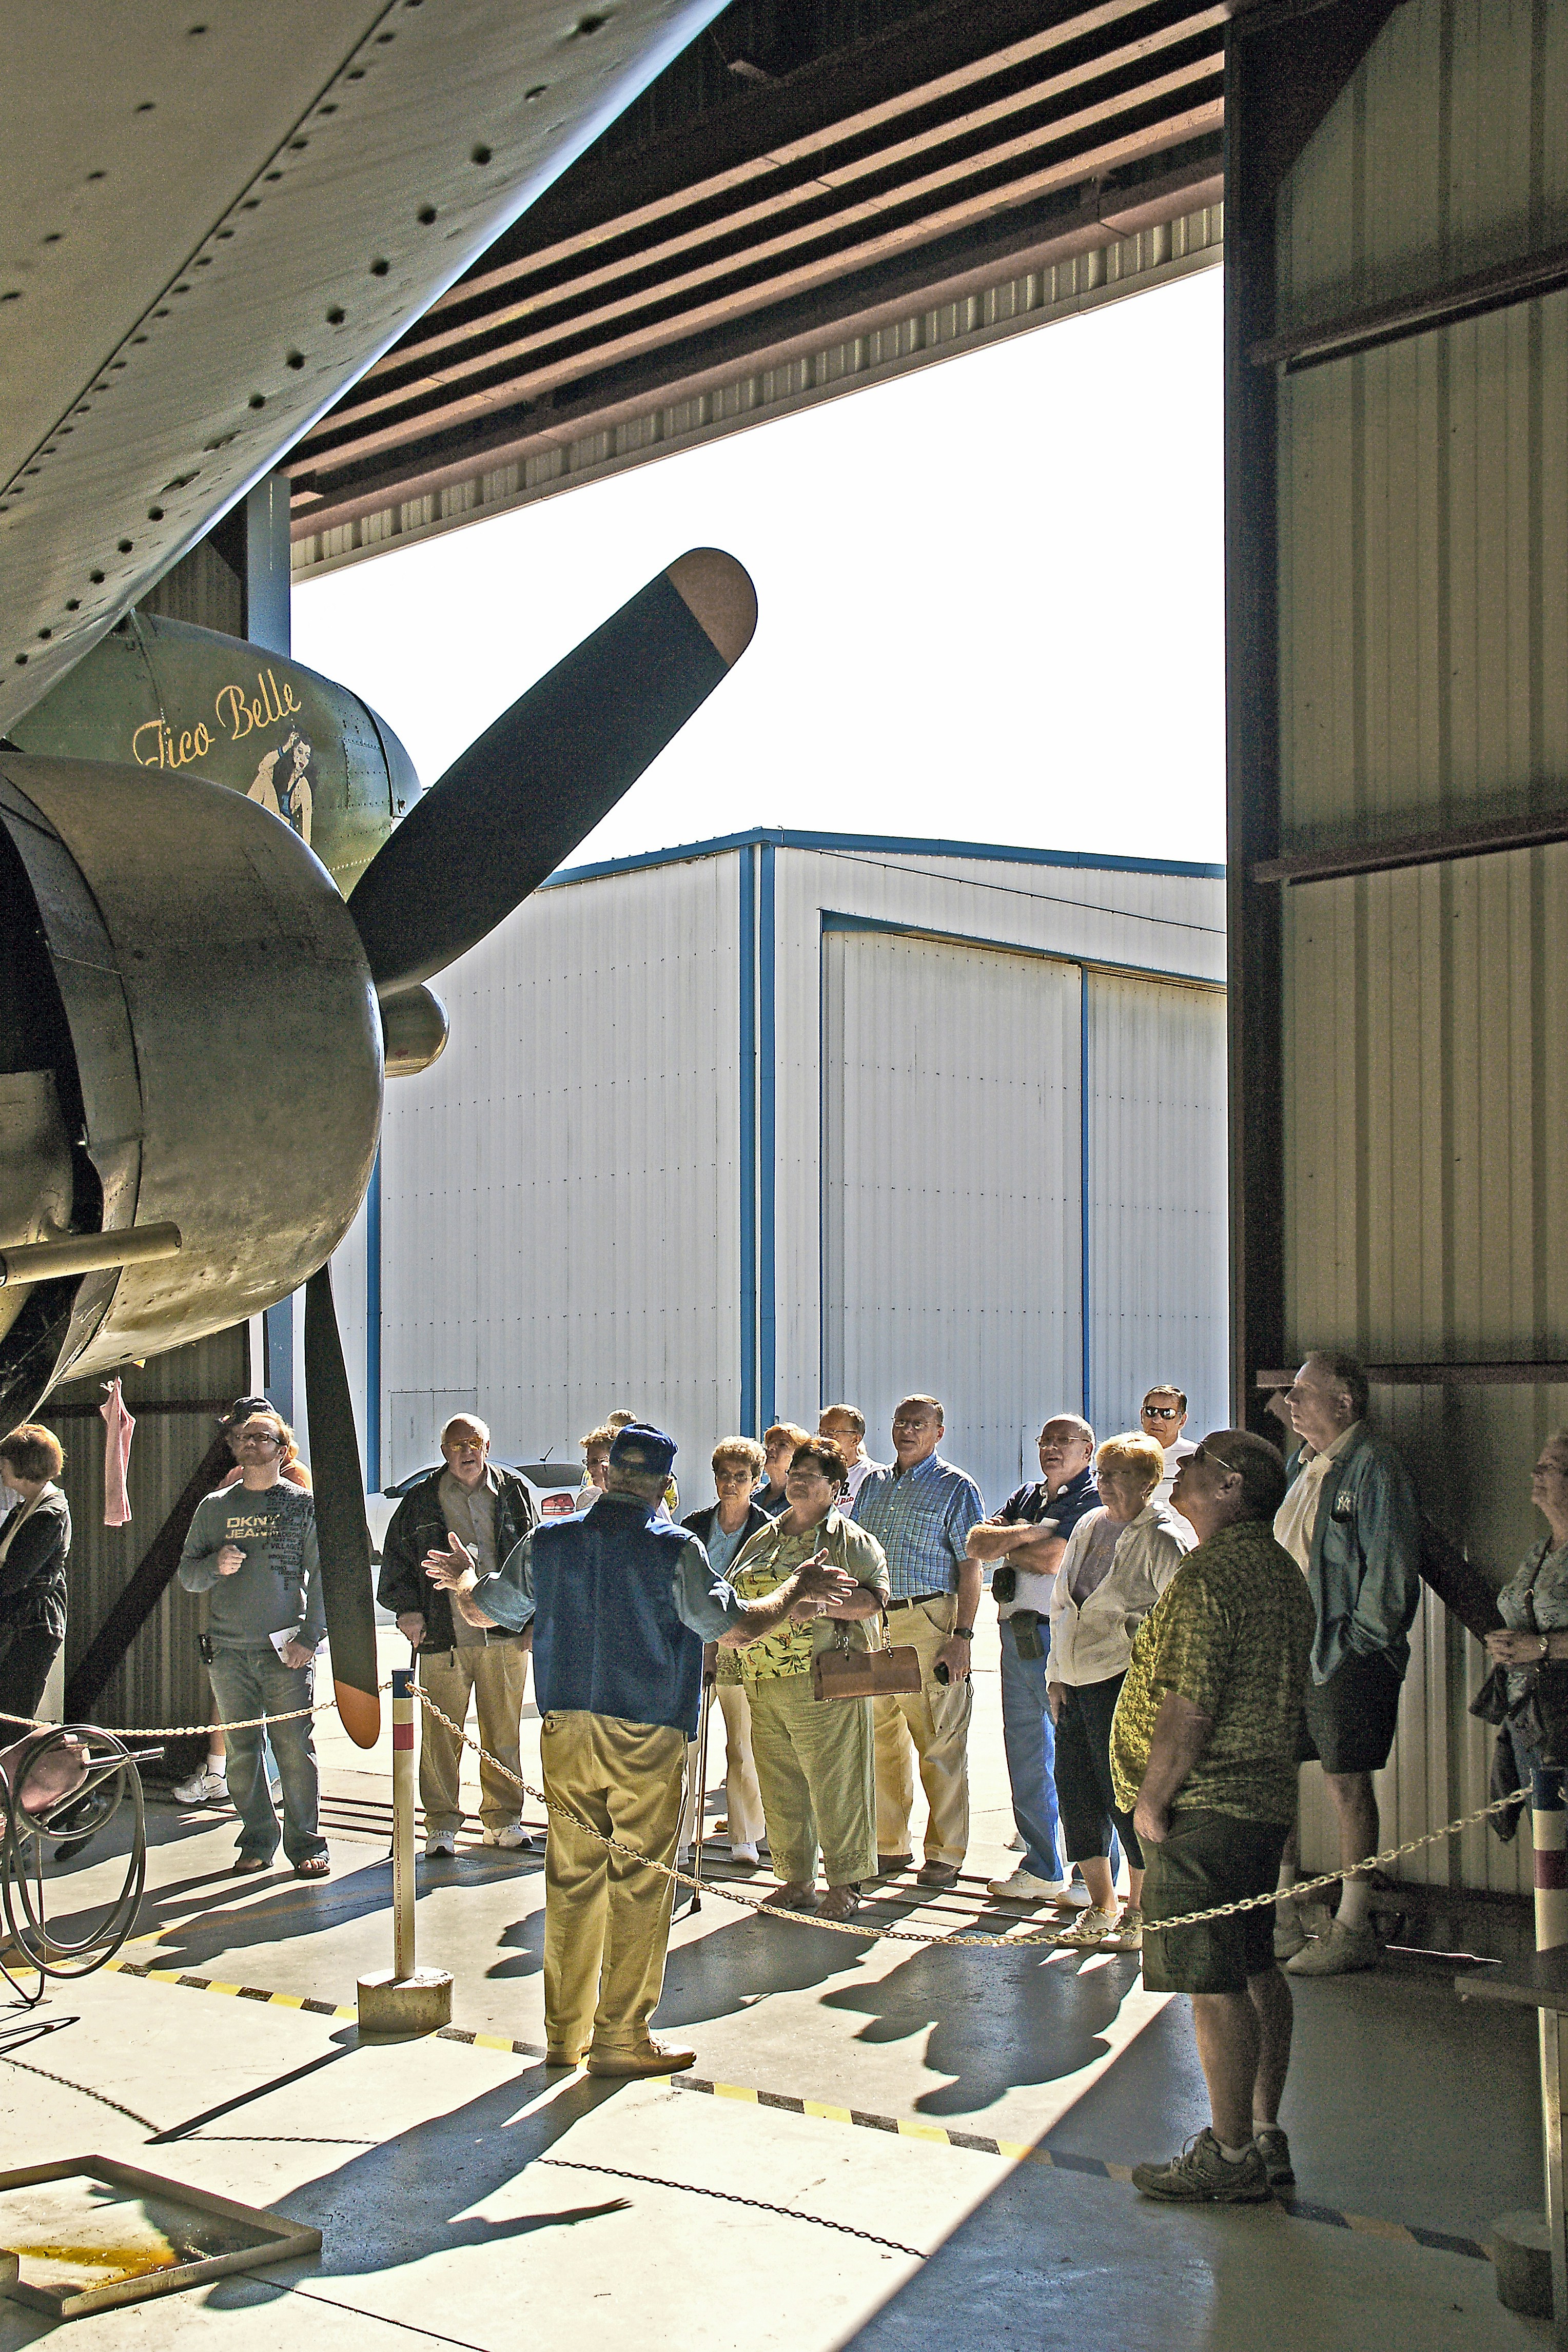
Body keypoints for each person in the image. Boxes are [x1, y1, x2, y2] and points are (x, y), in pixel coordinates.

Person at [425, 1421, 856, 2077]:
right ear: (663, 1485)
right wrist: (796, 1591)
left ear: (605, 1476)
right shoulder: (673, 1549)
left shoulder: (552, 1540)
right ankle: (621, 2035)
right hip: (646, 1731)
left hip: (567, 1728)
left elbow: (487, 1611)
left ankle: (563, 2037)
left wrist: (464, 1579)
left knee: (571, 1883)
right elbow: (734, 1629)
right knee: (638, 1884)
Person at [1117, 1432, 1315, 2203]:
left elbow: (1189, 1707)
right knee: (1254, 1959)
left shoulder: (1210, 1577)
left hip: (1207, 1805)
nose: (1181, 1468)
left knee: (1213, 1980)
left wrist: (1154, 1798)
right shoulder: (1277, 1570)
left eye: (1196, 1464)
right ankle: (1264, 2132)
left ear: (1230, 1487)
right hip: (1261, 1803)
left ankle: (1230, 2157)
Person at [1272, 1351, 1422, 1976]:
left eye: (1304, 1392)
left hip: (1343, 1655)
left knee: (1345, 1782)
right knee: (1276, 1771)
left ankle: (1351, 1922)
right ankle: (1279, 1913)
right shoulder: (1302, 1464)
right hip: (1291, 1652)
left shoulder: (1374, 1466)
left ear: (1344, 1403)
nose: (1290, 1402)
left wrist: (1357, 1644)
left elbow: (1389, 1570)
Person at [725, 1437, 889, 1918]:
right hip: (764, 1679)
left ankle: (846, 1884)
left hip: (822, 1682)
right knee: (782, 1784)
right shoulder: (765, 1535)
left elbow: (874, 1598)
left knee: (837, 1783)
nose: (797, 1479)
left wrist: (814, 1606)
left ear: (836, 1487)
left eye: (811, 1474)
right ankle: (797, 1880)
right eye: (794, 1470)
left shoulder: (849, 1540)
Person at [1044, 1433, 1194, 1949]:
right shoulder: (1088, 1525)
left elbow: (1181, 1623)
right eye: (1100, 1472)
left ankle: (1139, 1910)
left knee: (1123, 1798)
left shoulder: (1163, 1538)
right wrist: (1055, 1676)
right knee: (1075, 1792)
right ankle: (1098, 1905)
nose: (1101, 1482)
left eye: (1114, 1473)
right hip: (1075, 1680)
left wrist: (1153, 1692)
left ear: (1148, 1480)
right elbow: (1061, 1607)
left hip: (1125, 1683)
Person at [176, 1402, 329, 1878]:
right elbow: (187, 1575)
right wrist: (213, 1566)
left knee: (294, 1749)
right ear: (234, 1448)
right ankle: (257, 1841)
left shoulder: (301, 1505)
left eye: (263, 1437)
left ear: (282, 1449)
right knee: (242, 1753)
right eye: (244, 1437)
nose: (252, 1443)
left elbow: (324, 1578)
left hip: (287, 1651)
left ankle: (307, 1844)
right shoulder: (214, 1508)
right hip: (227, 1650)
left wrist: (310, 1637)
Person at [377, 1414, 539, 1858]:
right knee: (439, 1738)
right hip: (442, 1637)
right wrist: (407, 1610)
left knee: (503, 1734)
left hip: (503, 1637)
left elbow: (533, 1559)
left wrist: (531, 1621)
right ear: (444, 1451)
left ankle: (504, 1820)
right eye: (456, 1445)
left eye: (474, 1442)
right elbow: (397, 1561)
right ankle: (441, 1825)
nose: (466, 1452)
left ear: (488, 1445)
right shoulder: (421, 1499)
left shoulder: (513, 1492)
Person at [851, 1396, 986, 1887]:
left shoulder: (957, 1487)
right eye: (901, 1423)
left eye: (919, 1424)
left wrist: (962, 1636)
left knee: (939, 1739)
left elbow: (972, 1564)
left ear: (938, 1433)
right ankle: (889, 1844)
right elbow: (855, 1552)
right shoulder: (874, 1486)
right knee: (881, 1740)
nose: (908, 1431)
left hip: (930, 1621)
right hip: (876, 1624)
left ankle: (946, 1853)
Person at [966, 1416, 1100, 1902]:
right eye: (1046, 1440)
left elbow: (1053, 1560)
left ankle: (1091, 1877)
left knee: (1077, 1759)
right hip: (1014, 1638)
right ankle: (1043, 1866)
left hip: (1062, 1641)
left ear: (1088, 1451)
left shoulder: (1091, 1496)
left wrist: (1014, 1543)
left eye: (1065, 1442)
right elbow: (977, 1543)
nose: (1052, 1449)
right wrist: (1031, 1533)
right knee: (1026, 1757)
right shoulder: (1028, 1496)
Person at [682, 1438, 772, 1863]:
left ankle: (745, 1835)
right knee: (685, 1743)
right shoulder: (693, 1526)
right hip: (693, 1649)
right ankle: (679, 1837)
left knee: (744, 1745)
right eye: (724, 1475)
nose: (731, 1484)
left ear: (756, 1482)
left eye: (741, 1477)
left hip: (744, 1650)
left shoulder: (770, 1531)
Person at [1481, 1430, 1568, 1806]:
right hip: (1528, 1720)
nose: (1536, 1472)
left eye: (1549, 1466)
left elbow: (1539, 1641)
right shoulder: (1540, 1550)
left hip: (1564, 1720)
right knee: (1545, 1846)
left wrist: (1540, 1647)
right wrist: (1502, 1643)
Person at [0, 1424, 70, 1726]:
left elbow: (13, 1578)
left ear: (21, 1468)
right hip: (15, 1620)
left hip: (33, 1626)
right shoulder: (23, 1508)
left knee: (12, 1718)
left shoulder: (50, 1514)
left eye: (5, 1462)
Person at [817, 1405, 888, 1503]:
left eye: (831, 1434)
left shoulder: (874, 1475)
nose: (823, 1440)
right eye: (821, 1433)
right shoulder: (813, 1470)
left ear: (855, 1440)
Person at [1141, 1385, 1198, 1502]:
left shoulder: (1196, 1458)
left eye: (1167, 1413)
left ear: (1182, 1421)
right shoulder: (1125, 1455)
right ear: (1142, 1415)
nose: (1157, 1420)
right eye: (1151, 1412)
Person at [755, 1422, 811, 1517]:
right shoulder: (754, 1497)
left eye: (782, 1445)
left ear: (798, 1456)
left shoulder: (802, 1499)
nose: (771, 1448)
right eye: (769, 1444)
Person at [575, 1425, 614, 1512]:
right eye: (587, 1462)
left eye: (595, 1461)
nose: (589, 1469)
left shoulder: (638, 1502)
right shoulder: (587, 1499)